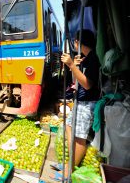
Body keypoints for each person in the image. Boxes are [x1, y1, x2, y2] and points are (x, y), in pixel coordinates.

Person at [50, 29, 100, 181]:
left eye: (75, 42)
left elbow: (87, 84)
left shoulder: (93, 58)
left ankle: (69, 173)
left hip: (87, 103)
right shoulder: (87, 58)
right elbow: (78, 80)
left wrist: (71, 64)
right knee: (69, 126)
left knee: (79, 138)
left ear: (78, 42)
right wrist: (75, 66)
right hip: (81, 101)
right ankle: (70, 162)